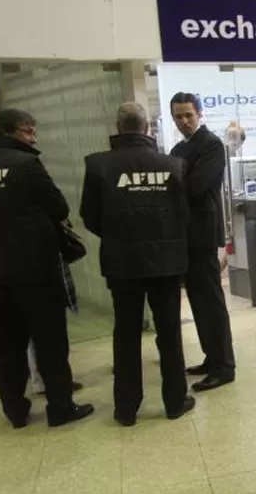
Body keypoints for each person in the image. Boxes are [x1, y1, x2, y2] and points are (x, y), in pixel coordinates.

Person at [0, 108, 94, 428]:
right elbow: (59, 206)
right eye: (28, 131)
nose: (33, 137)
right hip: (36, 269)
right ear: (8, 131)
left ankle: (15, 411)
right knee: (50, 341)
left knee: (7, 345)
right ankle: (61, 407)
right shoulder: (26, 164)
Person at [80, 102, 195, 426]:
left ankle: (126, 409)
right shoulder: (173, 165)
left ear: (118, 128)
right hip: (166, 261)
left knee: (126, 334)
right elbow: (183, 214)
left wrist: (117, 235)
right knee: (169, 333)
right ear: (147, 128)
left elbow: (90, 216)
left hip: (122, 262)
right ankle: (175, 402)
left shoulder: (98, 166)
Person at [169, 92, 236, 392]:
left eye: (188, 115)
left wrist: (170, 186)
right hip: (184, 235)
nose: (184, 121)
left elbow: (196, 186)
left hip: (202, 234)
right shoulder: (178, 149)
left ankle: (224, 366)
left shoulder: (211, 145)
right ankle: (211, 357)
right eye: (178, 116)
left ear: (199, 114)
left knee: (210, 301)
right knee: (197, 301)